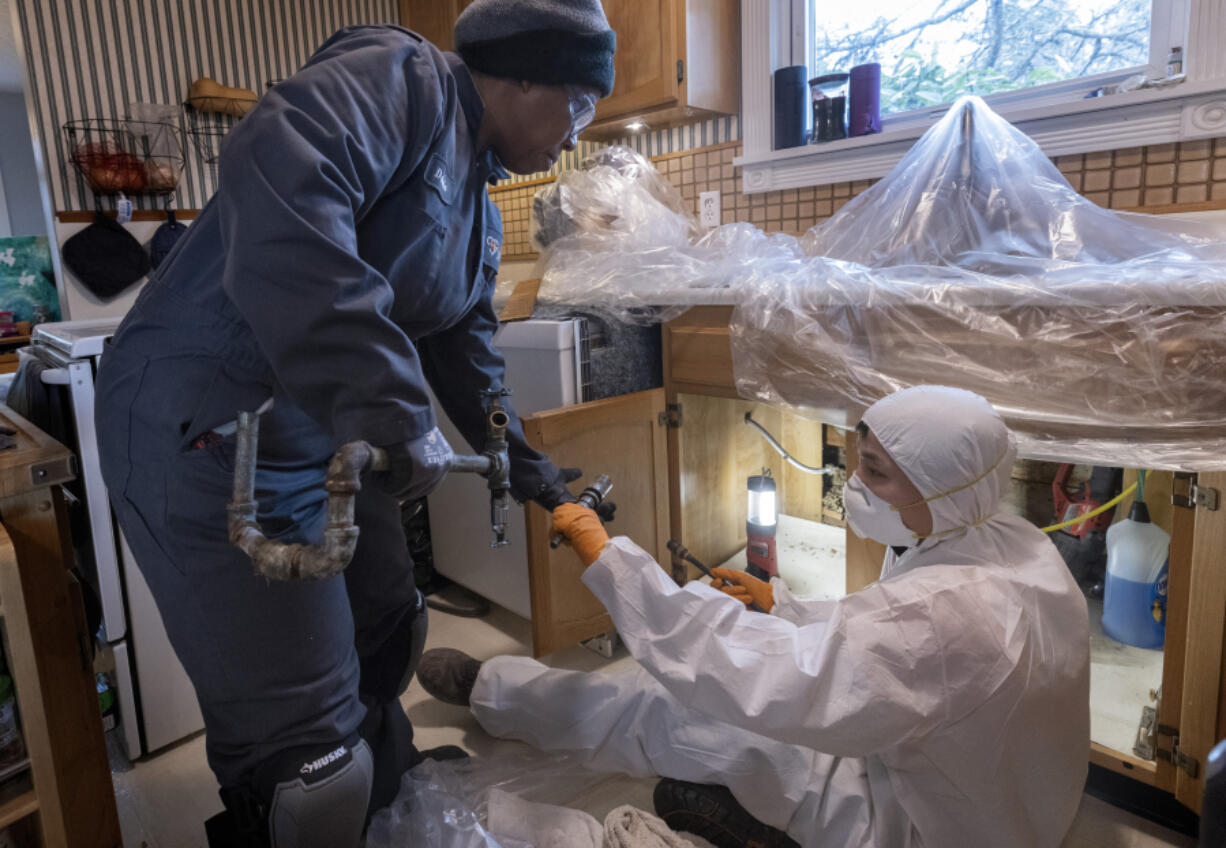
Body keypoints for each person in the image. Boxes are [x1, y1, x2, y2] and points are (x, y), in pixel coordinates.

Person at [93, 3, 616, 846]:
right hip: (215, 426)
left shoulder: (478, 202)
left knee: (387, 618)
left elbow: (465, 351)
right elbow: (284, 173)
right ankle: (329, 799)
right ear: (521, 74)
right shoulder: (402, 78)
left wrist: (531, 474)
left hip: (318, 431)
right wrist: (394, 407)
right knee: (309, 763)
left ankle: (386, 795)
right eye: (582, 103)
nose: (579, 133)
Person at [417, 386, 1091, 848]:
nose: (854, 484)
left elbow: (745, 674)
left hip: (912, 825)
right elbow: (887, 644)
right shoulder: (1007, 541)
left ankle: (492, 695)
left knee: (675, 708)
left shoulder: (943, 619)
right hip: (993, 801)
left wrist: (610, 560)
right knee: (719, 621)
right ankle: (500, 694)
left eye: (877, 472)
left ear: (943, 483)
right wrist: (784, 605)